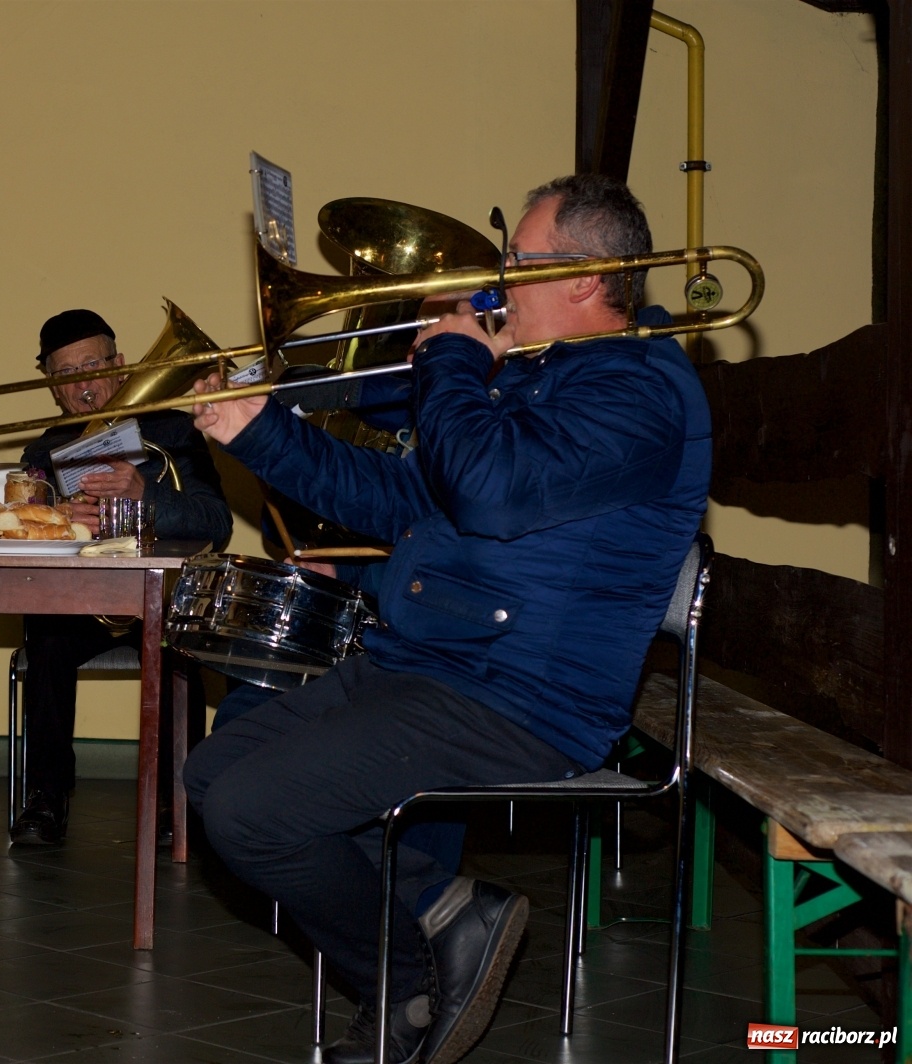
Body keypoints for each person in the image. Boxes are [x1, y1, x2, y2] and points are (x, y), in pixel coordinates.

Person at [183, 174, 712, 1064]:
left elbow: (487, 491)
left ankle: (405, 981)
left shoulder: (641, 393)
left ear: (587, 278)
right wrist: (258, 433)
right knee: (213, 776)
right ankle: (440, 909)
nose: (496, 283)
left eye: (518, 262)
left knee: (251, 813)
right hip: (437, 660)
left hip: (524, 696)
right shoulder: (547, 379)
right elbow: (403, 498)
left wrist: (454, 360)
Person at [9, 309, 234, 846]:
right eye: (67, 375)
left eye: (93, 365)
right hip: (83, 601)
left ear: (122, 365)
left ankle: (170, 801)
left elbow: (216, 522)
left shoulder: (174, 430)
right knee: (45, 636)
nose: (84, 385)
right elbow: (20, 524)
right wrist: (59, 515)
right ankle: (46, 795)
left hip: (157, 597)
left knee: (178, 651)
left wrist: (144, 495)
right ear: (53, 387)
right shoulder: (44, 449)